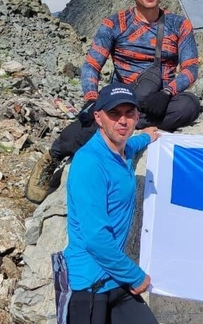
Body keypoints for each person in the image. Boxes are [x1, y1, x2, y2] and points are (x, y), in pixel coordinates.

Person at [26, 0, 200, 203]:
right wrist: (91, 98)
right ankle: (53, 156)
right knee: (100, 113)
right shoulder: (114, 24)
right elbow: (92, 64)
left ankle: (120, 127)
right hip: (123, 95)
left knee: (189, 106)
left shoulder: (180, 25)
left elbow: (191, 67)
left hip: (160, 98)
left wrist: (169, 93)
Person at [63, 82, 160, 324]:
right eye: (114, 114)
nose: (123, 121)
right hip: (89, 286)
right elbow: (96, 238)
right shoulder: (89, 163)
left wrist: (147, 137)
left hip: (114, 278)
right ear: (98, 117)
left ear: (137, 116)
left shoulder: (122, 150)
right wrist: (136, 277)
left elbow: (130, 145)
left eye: (129, 113)